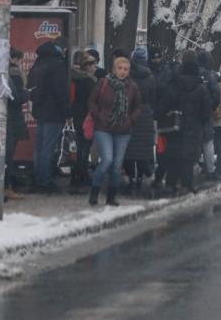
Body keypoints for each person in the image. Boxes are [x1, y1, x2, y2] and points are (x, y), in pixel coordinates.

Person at [87, 55, 142, 206]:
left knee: (117, 164)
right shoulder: (104, 83)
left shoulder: (132, 86)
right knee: (107, 160)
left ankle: (111, 196)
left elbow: (138, 107)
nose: (123, 72)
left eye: (126, 69)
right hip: (103, 127)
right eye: (120, 68)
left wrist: (131, 120)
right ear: (114, 69)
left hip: (123, 130)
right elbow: (92, 101)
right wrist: (97, 115)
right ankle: (94, 191)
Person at [161, 51, 210, 196]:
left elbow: (164, 104)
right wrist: (200, 122)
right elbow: (206, 112)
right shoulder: (201, 89)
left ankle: (170, 183)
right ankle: (186, 184)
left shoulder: (174, 85)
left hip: (175, 125)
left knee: (173, 155)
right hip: (194, 129)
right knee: (188, 158)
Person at [28, 41, 71, 192]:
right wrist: (67, 113)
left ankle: (38, 176)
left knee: (39, 147)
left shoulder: (38, 64)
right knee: (48, 146)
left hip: (40, 111)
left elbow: (31, 87)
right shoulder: (57, 65)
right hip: (54, 112)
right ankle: (45, 180)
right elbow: (61, 91)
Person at [123, 47, 158, 195]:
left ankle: (131, 176)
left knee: (129, 147)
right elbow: (154, 96)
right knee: (144, 147)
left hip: (129, 113)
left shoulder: (127, 76)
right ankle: (141, 176)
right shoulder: (150, 78)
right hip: (145, 114)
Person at [70, 51, 98, 186]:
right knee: (85, 146)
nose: (95, 67)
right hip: (86, 116)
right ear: (86, 67)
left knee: (81, 145)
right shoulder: (88, 81)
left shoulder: (75, 78)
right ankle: (82, 174)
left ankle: (77, 173)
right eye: (92, 65)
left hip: (77, 115)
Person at [5, 48, 29, 200]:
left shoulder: (0, 74)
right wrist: (27, 93)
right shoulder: (15, 74)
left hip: (2, 117)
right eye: (20, 59)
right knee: (8, 154)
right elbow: (17, 97)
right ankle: (7, 187)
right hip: (12, 118)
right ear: (14, 59)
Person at [196, 50, 220, 180]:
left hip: (191, 114)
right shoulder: (211, 76)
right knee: (208, 142)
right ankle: (210, 170)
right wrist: (211, 107)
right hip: (206, 114)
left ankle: (193, 167)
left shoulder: (192, 73)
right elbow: (216, 95)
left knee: (194, 141)